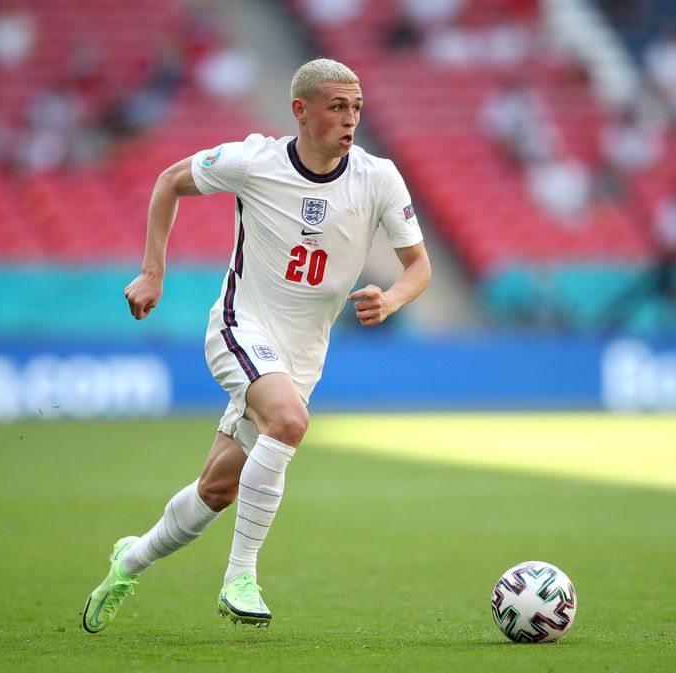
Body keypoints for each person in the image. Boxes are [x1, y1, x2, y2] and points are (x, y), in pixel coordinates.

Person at [82, 58, 431, 632]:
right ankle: (239, 577)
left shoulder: (379, 177)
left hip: (303, 355)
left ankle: (130, 560)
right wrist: (153, 273)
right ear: (301, 110)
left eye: (357, 108)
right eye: (338, 107)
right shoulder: (254, 161)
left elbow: (418, 266)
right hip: (240, 328)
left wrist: (393, 299)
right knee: (289, 423)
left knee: (217, 489)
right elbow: (169, 180)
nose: (351, 120)